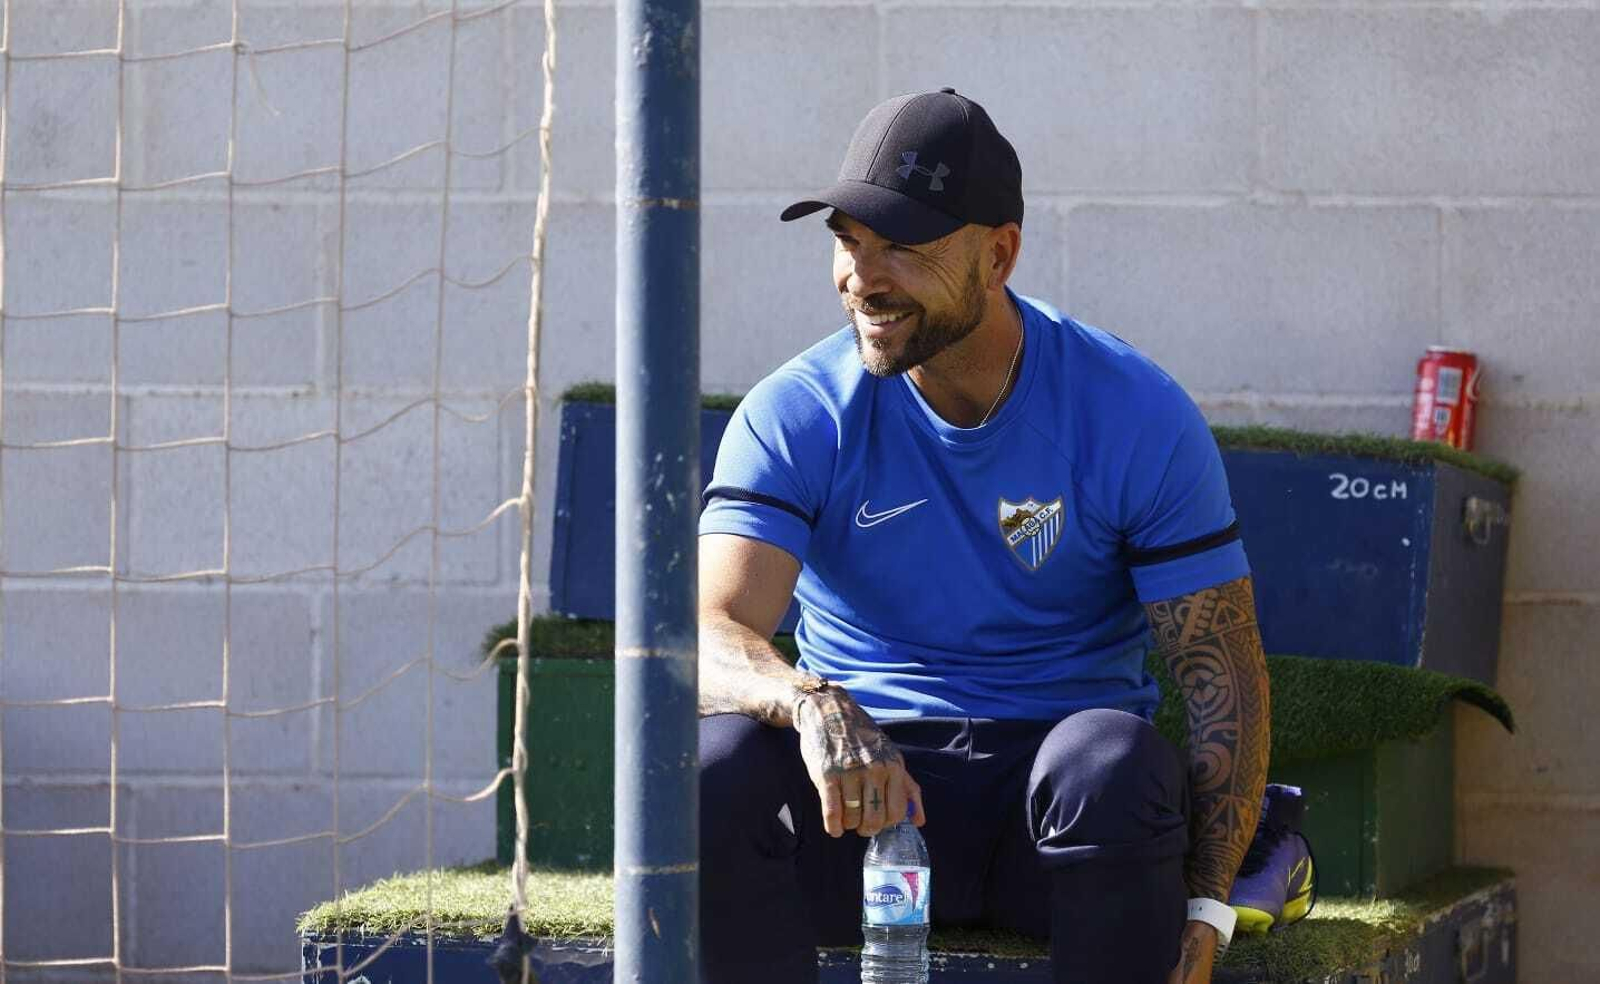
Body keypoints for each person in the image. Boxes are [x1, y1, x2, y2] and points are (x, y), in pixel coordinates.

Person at [696, 87, 1270, 984]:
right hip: (865, 802)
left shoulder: (1133, 410)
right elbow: (703, 635)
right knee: (714, 762)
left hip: (1057, 816)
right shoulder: (797, 412)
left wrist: (1208, 902)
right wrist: (815, 704)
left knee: (1113, 762)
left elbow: (1219, 674)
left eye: (903, 247)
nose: (862, 276)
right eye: (848, 240)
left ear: (998, 254)